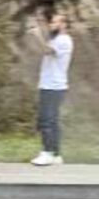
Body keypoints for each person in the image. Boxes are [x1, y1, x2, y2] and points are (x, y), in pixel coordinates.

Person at [27, 12, 73, 166]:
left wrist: (37, 35)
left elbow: (48, 51)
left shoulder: (64, 40)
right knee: (52, 121)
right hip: (52, 85)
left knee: (46, 120)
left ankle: (47, 153)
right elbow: (47, 49)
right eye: (51, 22)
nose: (51, 25)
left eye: (54, 22)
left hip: (53, 86)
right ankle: (56, 154)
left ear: (64, 24)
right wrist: (39, 27)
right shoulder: (57, 40)